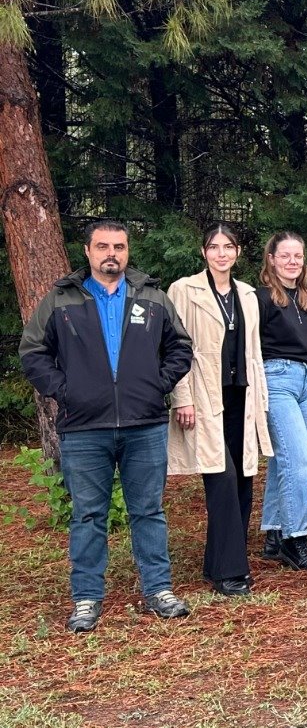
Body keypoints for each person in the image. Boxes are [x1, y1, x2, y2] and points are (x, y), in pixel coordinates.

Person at [21, 218, 194, 631]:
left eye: (119, 246)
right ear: (88, 251)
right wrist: (65, 391)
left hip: (144, 424)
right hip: (84, 428)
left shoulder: (151, 296)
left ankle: (158, 589)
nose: (111, 254)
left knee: (148, 511)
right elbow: (32, 352)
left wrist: (158, 385)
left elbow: (180, 347)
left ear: (127, 250)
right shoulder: (62, 299)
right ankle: (85, 597)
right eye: (103, 246)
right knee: (87, 514)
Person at [166, 223, 274, 597]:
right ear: (204, 252)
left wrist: (260, 399)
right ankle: (230, 572)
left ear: (238, 252)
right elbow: (173, 347)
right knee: (222, 479)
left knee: (244, 481)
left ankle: (217, 563)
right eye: (214, 247)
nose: (222, 253)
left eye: (228, 247)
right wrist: (181, 397)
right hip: (203, 396)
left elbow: (254, 352)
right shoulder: (184, 290)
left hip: (240, 397)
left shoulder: (246, 294)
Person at [255, 232, 307, 571]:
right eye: (285, 255)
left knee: (287, 459)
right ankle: (297, 538)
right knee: (298, 462)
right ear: (272, 258)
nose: (292, 261)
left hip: (306, 378)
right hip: (276, 377)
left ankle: (274, 531)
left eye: (298, 256)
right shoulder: (262, 298)